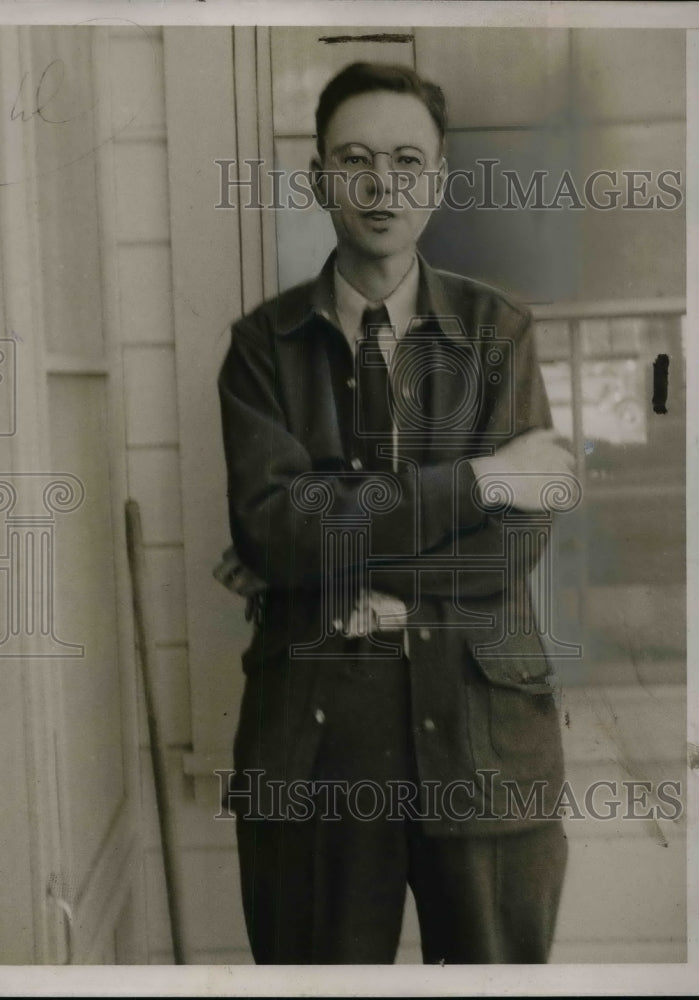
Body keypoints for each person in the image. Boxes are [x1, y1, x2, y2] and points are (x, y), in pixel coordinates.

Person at [215, 61, 575, 965]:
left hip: (482, 737)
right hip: (317, 750)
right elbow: (273, 527)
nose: (383, 186)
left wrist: (336, 563)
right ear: (317, 177)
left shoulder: (499, 332)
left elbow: (512, 552)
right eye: (356, 160)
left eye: (408, 161)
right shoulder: (262, 347)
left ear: (440, 179)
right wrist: (481, 481)